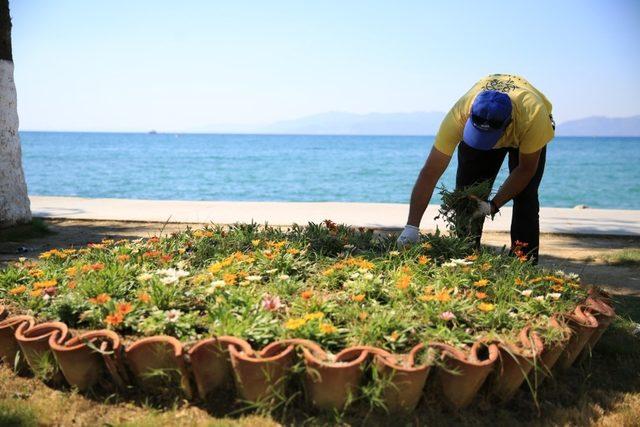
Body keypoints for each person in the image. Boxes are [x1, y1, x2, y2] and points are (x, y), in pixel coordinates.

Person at [396, 74, 555, 264]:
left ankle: (523, 264)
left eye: (489, 138)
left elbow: (526, 169)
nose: (485, 143)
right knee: (468, 196)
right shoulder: (459, 115)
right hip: (490, 121)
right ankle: (465, 255)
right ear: (470, 116)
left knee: (526, 196)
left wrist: (492, 205)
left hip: (525, 129)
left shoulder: (533, 117)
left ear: (508, 125)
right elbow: (430, 172)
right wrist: (411, 226)